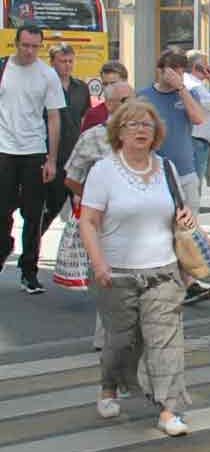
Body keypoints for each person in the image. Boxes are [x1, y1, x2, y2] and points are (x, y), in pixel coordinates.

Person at [79, 99, 196, 436]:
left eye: (147, 124)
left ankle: (169, 410)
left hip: (164, 272)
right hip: (116, 274)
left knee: (166, 342)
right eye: (133, 124)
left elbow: (179, 214)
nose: (141, 130)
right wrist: (98, 263)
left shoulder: (167, 169)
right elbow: (88, 221)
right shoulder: (104, 171)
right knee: (122, 341)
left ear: (156, 132)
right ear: (120, 132)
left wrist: (185, 217)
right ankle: (108, 387)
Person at [139, 51, 210, 305]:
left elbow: (198, 118)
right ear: (161, 70)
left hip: (185, 172)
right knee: (161, 230)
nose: (178, 75)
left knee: (187, 230)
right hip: (156, 174)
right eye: (174, 71)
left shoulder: (186, 94)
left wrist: (181, 88)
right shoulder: (144, 96)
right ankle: (172, 283)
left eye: (182, 71)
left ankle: (187, 283)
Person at [65, 80, 134, 351]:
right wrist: (95, 201)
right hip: (107, 221)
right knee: (111, 279)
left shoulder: (145, 133)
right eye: (124, 101)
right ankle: (106, 339)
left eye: (133, 99)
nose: (131, 106)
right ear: (109, 105)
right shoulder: (94, 136)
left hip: (139, 220)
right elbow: (71, 177)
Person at [1, 25, 66, 294]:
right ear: (15, 43)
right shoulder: (4, 69)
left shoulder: (47, 75)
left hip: (34, 151)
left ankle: (29, 272)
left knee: (33, 214)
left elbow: (54, 118)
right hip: (3, 149)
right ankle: (5, 247)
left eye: (34, 46)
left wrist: (51, 159)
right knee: (1, 210)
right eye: (25, 45)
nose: (29, 51)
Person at [40, 45, 90, 245]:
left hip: (75, 158)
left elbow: (84, 117)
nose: (67, 65)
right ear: (52, 62)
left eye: (70, 61)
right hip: (51, 157)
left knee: (85, 209)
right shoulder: (43, 87)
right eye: (62, 61)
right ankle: (32, 249)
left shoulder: (81, 88)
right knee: (50, 208)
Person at [183, 50, 210, 199]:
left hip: (198, 141)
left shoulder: (191, 83)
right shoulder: (194, 85)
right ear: (197, 67)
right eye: (206, 65)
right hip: (196, 141)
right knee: (193, 188)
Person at [82, 61, 128, 134]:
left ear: (125, 82)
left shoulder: (136, 112)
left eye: (113, 83)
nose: (109, 88)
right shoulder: (93, 114)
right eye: (105, 84)